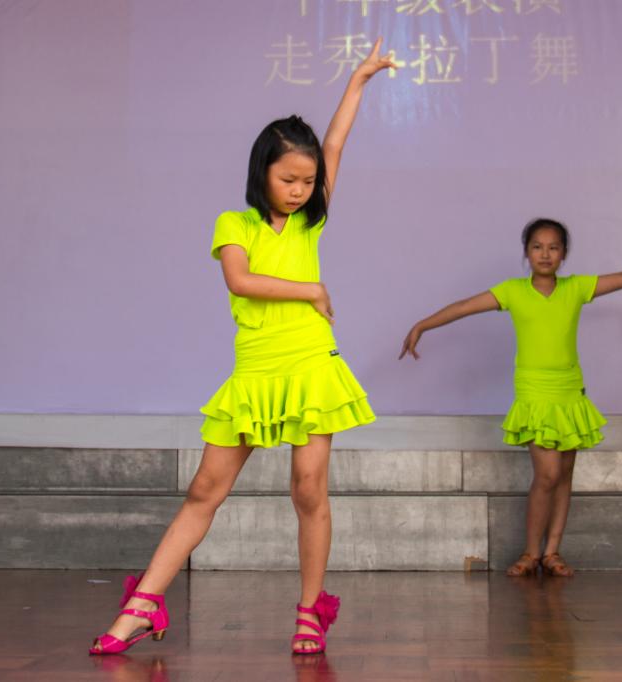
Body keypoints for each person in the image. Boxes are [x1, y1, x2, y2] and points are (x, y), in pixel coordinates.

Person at [90, 39, 396, 657]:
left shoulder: (311, 221)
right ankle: (141, 607)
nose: (300, 190)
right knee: (205, 490)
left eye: (308, 181)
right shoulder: (234, 223)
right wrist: (311, 288)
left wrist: (359, 80)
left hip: (310, 365)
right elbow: (240, 280)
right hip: (255, 371)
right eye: (288, 179)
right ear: (263, 173)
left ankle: (310, 613)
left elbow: (336, 143)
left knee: (308, 489)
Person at [399, 218, 622, 577]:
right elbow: (463, 306)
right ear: (527, 252)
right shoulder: (513, 291)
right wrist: (422, 325)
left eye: (553, 247)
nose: (545, 254)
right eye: (537, 247)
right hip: (535, 393)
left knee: (564, 475)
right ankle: (530, 553)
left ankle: (552, 552)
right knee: (547, 474)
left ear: (563, 254)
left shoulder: (576, 288)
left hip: (570, 392)